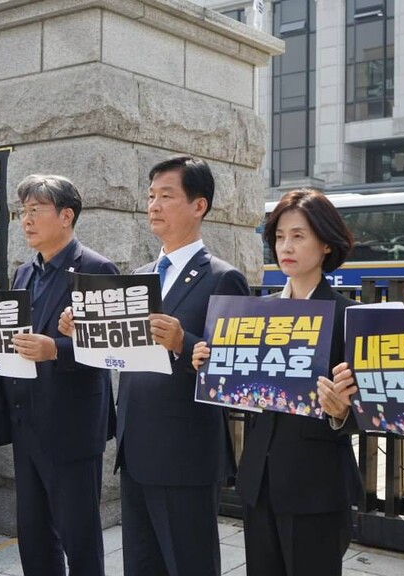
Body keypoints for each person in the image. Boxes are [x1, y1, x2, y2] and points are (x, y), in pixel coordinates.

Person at [191, 189, 362, 576]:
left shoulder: (348, 316)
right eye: (280, 237)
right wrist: (208, 365)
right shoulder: (257, 314)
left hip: (316, 486)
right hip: (259, 482)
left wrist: (341, 413)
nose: (286, 246)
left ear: (326, 245)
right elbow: (241, 394)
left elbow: (370, 410)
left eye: (299, 236)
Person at [0, 175, 118, 576]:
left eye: (36, 211)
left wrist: (57, 350)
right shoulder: (24, 273)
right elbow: (15, 341)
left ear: (66, 216)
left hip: (71, 424)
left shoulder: (96, 268)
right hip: (25, 419)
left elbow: (113, 348)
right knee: (33, 534)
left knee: (78, 536)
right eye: (22, 212)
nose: (26, 220)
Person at [113, 155, 249, 576]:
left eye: (166, 196)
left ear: (198, 205)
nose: (153, 205)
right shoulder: (140, 276)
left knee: (189, 564)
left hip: (184, 455)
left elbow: (235, 370)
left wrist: (183, 343)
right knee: (140, 564)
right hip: (134, 449)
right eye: (151, 196)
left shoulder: (223, 278)